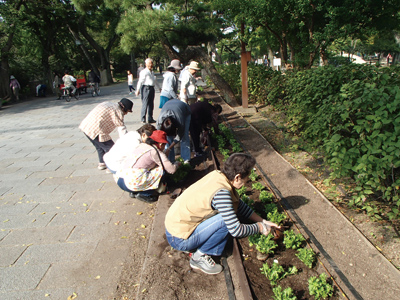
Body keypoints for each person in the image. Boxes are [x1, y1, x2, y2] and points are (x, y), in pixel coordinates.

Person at [165, 153, 281, 275]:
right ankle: (199, 257)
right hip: (178, 238)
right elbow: (236, 230)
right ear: (237, 177)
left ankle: (196, 244)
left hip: (175, 227)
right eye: (247, 177)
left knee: (228, 214)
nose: (248, 180)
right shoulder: (222, 194)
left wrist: (262, 220)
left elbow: (238, 204)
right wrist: (260, 227)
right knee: (226, 221)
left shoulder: (218, 176)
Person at [114, 130, 180, 202]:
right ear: (160, 144)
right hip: (132, 182)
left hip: (120, 179)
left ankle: (134, 192)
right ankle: (145, 193)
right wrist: (177, 164)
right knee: (162, 170)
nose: (164, 147)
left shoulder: (141, 145)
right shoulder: (155, 152)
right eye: (164, 145)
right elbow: (171, 170)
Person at [79, 98, 133, 170]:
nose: (126, 114)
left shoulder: (110, 104)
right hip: (96, 130)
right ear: (124, 108)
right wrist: (125, 142)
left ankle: (102, 163)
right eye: (127, 111)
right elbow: (121, 129)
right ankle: (112, 168)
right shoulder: (118, 111)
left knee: (100, 146)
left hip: (86, 126)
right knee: (111, 149)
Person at [156, 99, 191, 163]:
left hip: (184, 111)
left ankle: (185, 160)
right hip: (169, 104)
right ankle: (170, 160)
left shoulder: (180, 120)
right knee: (168, 139)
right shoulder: (159, 122)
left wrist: (169, 148)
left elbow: (180, 135)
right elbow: (159, 136)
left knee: (184, 137)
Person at [135, 58, 161, 124]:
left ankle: (150, 118)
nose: (150, 65)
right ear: (146, 64)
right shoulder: (144, 72)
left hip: (152, 88)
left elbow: (155, 80)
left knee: (151, 104)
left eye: (151, 63)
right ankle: (143, 118)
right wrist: (137, 90)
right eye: (149, 63)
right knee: (145, 103)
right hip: (146, 88)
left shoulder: (152, 72)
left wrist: (159, 88)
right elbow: (140, 81)